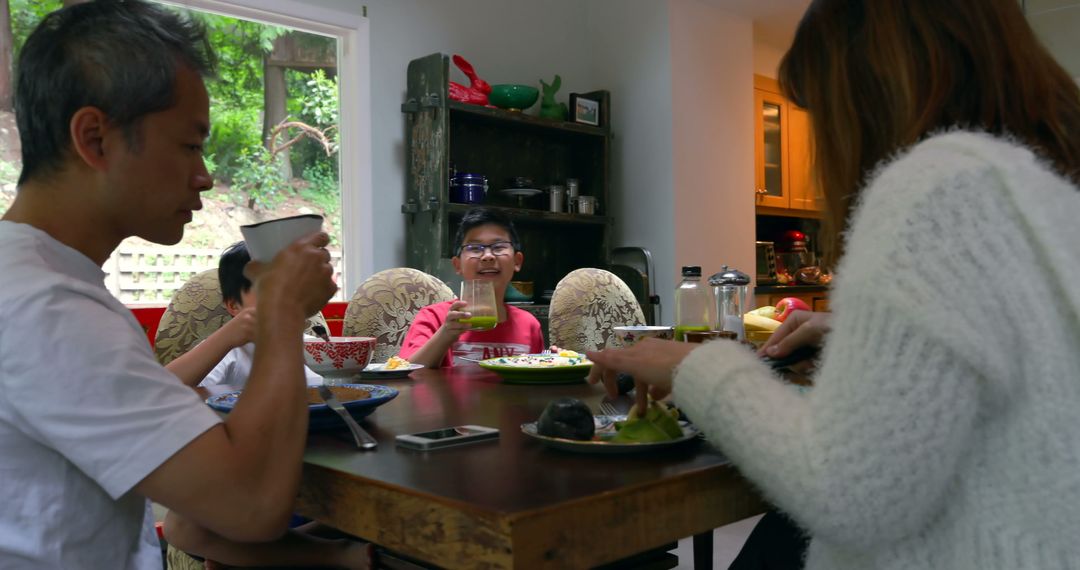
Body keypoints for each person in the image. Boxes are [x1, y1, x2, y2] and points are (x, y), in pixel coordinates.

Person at [588, 0, 1080, 568]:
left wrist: (692, 369)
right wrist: (858, 332)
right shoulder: (1042, 189)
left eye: (821, 110)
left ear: (866, 88)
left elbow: (851, 492)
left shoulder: (938, 186)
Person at [0, 1, 364, 568]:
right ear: (95, 139)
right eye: (190, 145)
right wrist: (280, 311)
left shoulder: (36, 280)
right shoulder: (47, 307)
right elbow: (250, 505)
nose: (206, 176)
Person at [166, 241, 324, 390]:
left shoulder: (313, 347)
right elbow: (163, 387)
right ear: (234, 305)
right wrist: (226, 337)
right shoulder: (228, 351)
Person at [399, 207, 545, 367]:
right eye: (474, 248)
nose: (488, 256)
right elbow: (408, 375)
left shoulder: (529, 324)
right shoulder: (433, 318)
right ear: (457, 265)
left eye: (498, 247)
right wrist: (445, 334)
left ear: (517, 261)